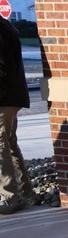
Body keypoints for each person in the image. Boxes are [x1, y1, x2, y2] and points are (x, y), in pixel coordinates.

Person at [0, 17, 38, 215]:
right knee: (9, 143)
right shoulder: (5, 26)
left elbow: (2, 68)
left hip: (4, 98)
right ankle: (26, 192)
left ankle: (10, 197)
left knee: (1, 146)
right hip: (12, 97)